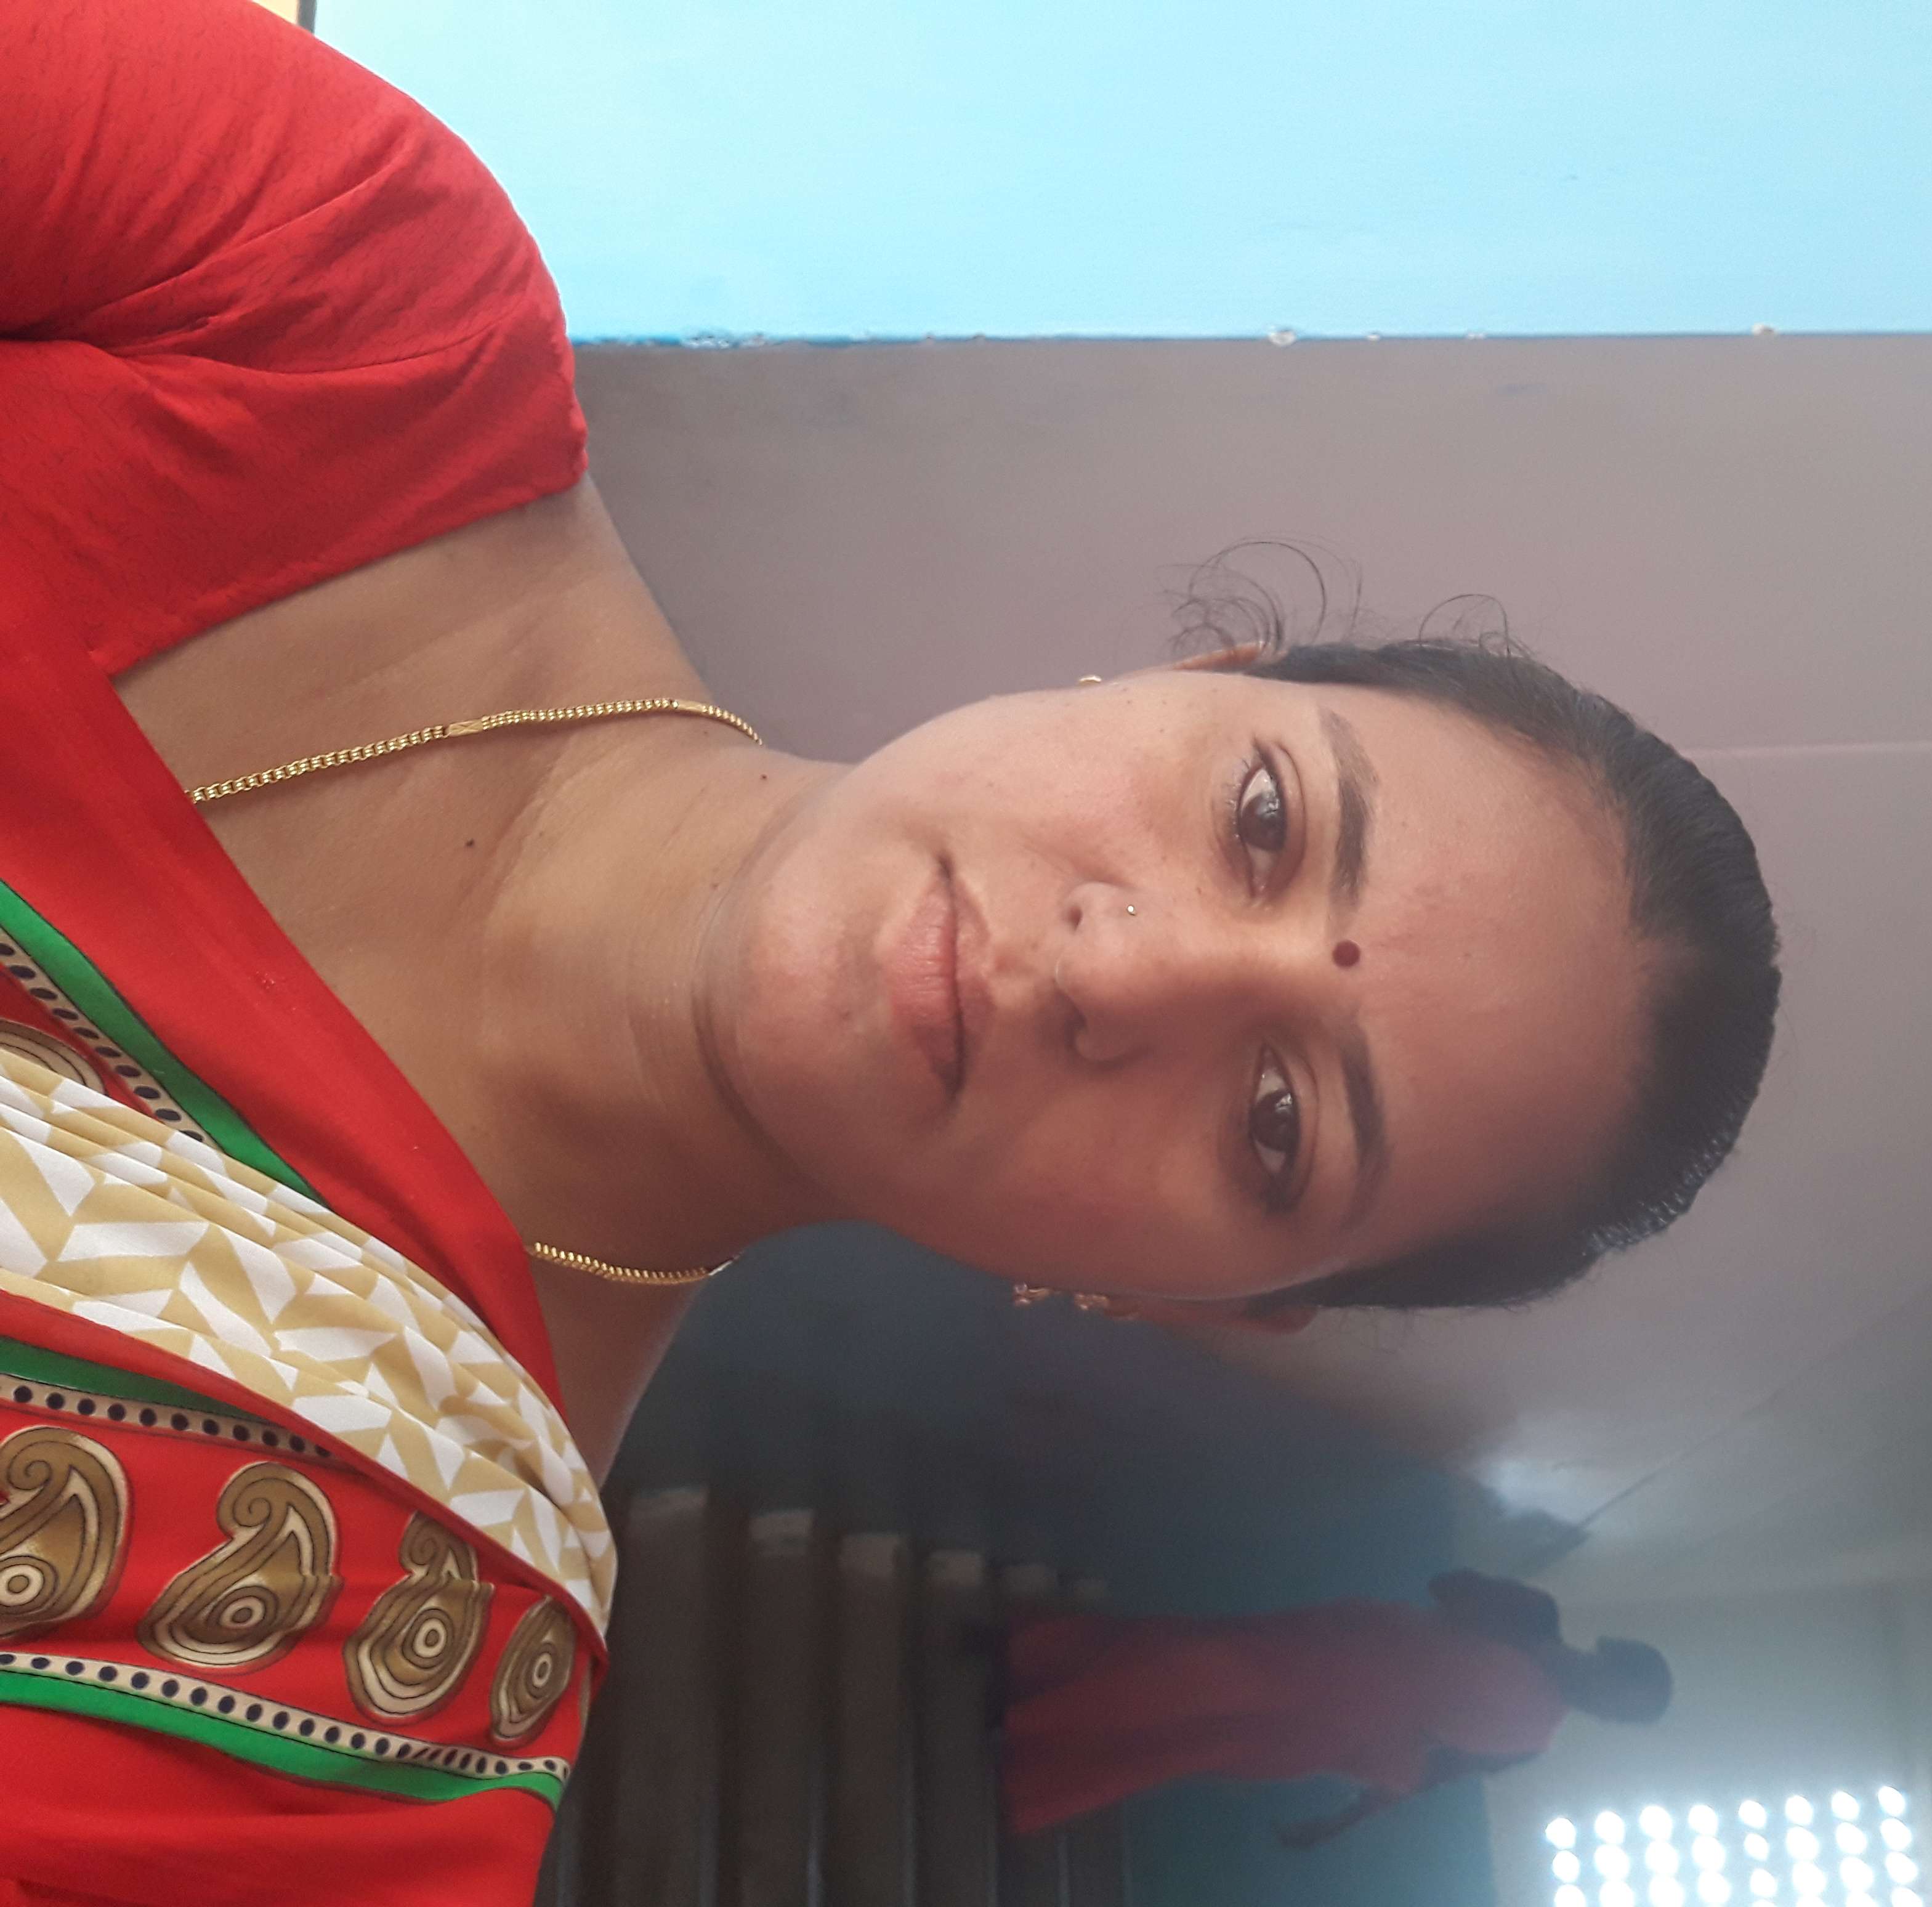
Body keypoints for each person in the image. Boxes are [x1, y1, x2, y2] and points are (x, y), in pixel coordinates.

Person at [0, 2, 1774, 1901]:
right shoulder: (344, 296)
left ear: (1195, 1297)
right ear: (1191, 672)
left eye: (1274, 1124)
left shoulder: (348, 1717)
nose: (1119, 975)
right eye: (1261, 819)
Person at [995, 1571, 1670, 1842]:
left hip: (1333, 1729)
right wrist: (1508, 1629)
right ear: (1611, 1654)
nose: (1604, 1705)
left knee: (1191, 1739)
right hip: (1339, 1644)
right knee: (1186, 1661)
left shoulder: (1531, 1739)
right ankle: (1032, 1668)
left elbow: (1431, 1775)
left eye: (1618, 1713)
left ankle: (1030, 1758)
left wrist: (1340, 1821)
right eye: (1619, 1691)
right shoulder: (1534, 1615)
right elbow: (1446, 1586)